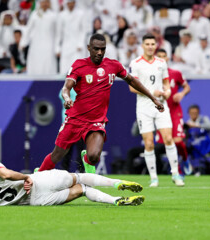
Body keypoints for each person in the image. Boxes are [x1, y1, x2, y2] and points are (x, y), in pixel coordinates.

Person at [36, 33, 164, 174]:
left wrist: (153, 98)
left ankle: (86, 160)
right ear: (88, 48)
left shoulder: (113, 65)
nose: (99, 52)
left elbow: (132, 81)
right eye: (96, 49)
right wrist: (67, 98)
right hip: (75, 119)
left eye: (102, 49)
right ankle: (38, 176)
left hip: (96, 121)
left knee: (94, 155)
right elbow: (66, 87)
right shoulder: (79, 65)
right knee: (58, 155)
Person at [0, 159, 145, 207]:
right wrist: (26, 177)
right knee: (79, 178)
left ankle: (117, 200)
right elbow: (8, 173)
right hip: (38, 182)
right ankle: (116, 183)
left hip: (36, 200)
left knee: (82, 190)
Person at [129, 33, 185, 187]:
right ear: (142, 46)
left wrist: (167, 92)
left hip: (161, 106)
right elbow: (132, 87)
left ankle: (175, 174)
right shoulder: (136, 63)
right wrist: (151, 92)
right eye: (147, 44)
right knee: (149, 143)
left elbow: (166, 83)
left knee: (168, 139)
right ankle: (153, 177)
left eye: (152, 44)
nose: (150, 47)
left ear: (155, 46)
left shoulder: (161, 62)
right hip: (144, 107)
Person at [155, 49, 192, 175]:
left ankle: (186, 160)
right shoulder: (153, 76)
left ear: (167, 58)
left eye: (163, 56)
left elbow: (187, 87)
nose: (161, 59)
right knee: (168, 142)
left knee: (178, 141)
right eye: (158, 56)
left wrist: (181, 93)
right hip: (160, 112)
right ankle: (178, 171)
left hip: (175, 111)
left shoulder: (175, 73)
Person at [186, 105, 210, 175]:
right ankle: (193, 170)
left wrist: (196, 125)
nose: (194, 114)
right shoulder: (187, 123)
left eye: (195, 113)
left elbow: (209, 126)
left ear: (198, 112)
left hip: (206, 145)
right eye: (192, 113)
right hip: (195, 147)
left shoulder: (204, 119)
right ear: (189, 113)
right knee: (185, 152)